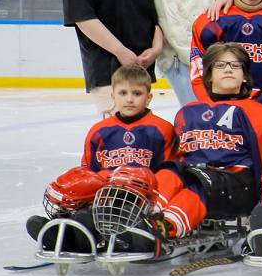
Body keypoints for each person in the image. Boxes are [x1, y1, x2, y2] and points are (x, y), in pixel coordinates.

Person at [25, 64, 176, 252]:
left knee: (103, 215)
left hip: (139, 199)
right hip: (102, 197)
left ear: (149, 97)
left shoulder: (162, 129)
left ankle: (86, 236)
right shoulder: (99, 131)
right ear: (113, 96)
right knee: (84, 211)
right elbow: (88, 171)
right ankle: (67, 234)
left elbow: (167, 172)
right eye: (123, 93)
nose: (129, 99)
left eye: (137, 93)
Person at [149, 42, 262, 242]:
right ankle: (144, 216)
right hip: (198, 175)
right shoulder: (187, 112)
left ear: (245, 76)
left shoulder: (261, 112)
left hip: (239, 184)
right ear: (209, 75)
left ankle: (163, 228)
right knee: (170, 172)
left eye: (235, 65)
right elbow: (179, 156)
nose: (228, 69)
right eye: (220, 65)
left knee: (199, 184)